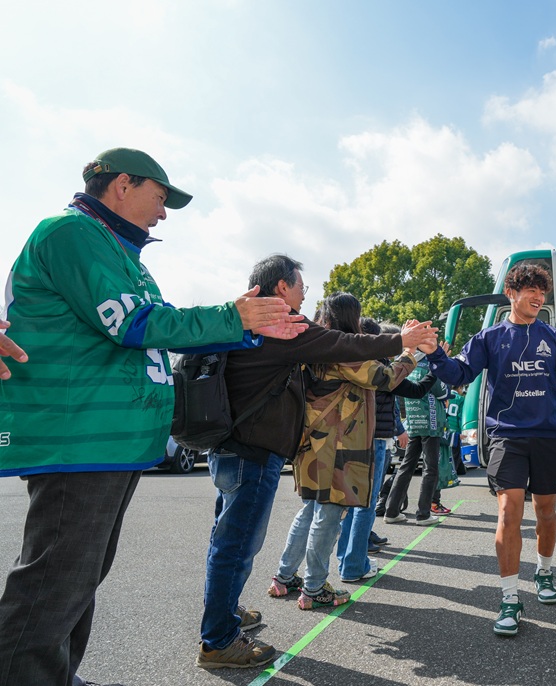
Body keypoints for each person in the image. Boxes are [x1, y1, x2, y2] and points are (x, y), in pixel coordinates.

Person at [0, 148, 302, 686]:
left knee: (79, 579)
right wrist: (232, 316)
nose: (163, 214)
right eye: (160, 198)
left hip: (110, 442)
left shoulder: (119, 252)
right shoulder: (70, 234)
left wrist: (237, 324)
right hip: (81, 439)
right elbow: (134, 324)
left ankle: (58, 675)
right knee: (53, 583)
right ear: (122, 185)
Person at [198, 254, 437, 669]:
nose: (306, 297)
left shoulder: (243, 319)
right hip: (257, 451)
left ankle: (229, 614)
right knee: (237, 545)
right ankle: (218, 639)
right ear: (281, 289)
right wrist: (404, 341)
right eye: (301, 288)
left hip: (236, 447)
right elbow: (352, 350)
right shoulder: (281, 324)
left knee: (234, 541)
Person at [424, 263, 556, 636]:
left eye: (543, 293)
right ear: (512, 293)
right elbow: (459, 374)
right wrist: (434, 354)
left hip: (547, 436)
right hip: (507, 436)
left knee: (545, 511)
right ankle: (509, 597)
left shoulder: (554, 338)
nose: (540, 298)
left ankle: (544, 571)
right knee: (509, 511)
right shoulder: (489, 337)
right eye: (532, 291)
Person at [268, 294, 416, 607]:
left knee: (309, 510)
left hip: (311, 444)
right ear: (352, 318)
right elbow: (385, 378)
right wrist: (410, 353)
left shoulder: (316, 345)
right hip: (338, 447)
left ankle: (284, 577)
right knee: (329, 516)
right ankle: (314, 587)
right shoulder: (344, 352)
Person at [335, 317, 403, 580]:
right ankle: (354, 565)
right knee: (364, 505)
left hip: (361, 438)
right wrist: (412, 356)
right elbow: (394, 383)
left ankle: (350, 561)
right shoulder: (375, 368)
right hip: (373, 440)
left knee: (355, 504)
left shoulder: (355, 360)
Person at [382, 356, 450, 525]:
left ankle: (391, 510)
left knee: (406, 466)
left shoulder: (409, 365)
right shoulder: (431, 366)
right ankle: (423, 513)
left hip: (413, 422)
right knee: (430, 468)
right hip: (431, 423)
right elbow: (443, 392)